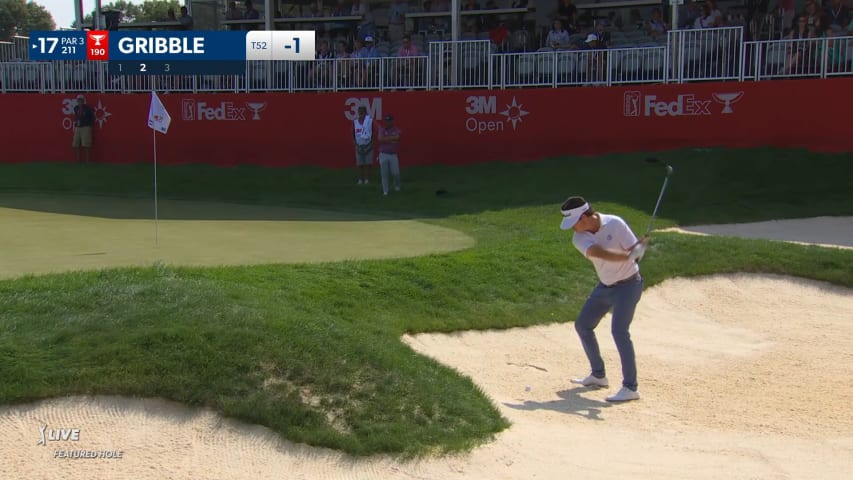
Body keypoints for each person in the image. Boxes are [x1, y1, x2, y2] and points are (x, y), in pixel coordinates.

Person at [560, 195, 649, 402]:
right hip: (605, 286)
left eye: (574, 223)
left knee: (619, 331)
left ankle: (630, 387)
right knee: (583, 325)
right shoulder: (579, 238)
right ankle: (598, 375)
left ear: (584, 217)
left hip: (629, 284)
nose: (573, 229)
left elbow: (635, 251)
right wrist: (626, 256)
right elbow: (598, 253)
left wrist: (638, 250)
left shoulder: (615, 223)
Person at [377, 114, 402, 196]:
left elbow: (397, 138)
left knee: (396, 173)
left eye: (389, 121)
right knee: (384, 173)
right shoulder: (382, 129)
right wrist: (391, 138)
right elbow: (380, 139)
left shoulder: (396, 130)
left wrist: (386, 138)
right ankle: (385, 191)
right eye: (387, 121)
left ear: (392, 121)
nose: (388, 123)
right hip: (383, 154)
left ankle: (397, 186)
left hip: (393, 155)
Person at [352, 106, 374, 184]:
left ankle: (367, 179)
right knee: (359, 164)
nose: (361, 114)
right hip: (358, 146)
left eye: (363, 112)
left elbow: (373, 133)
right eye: (360, 112)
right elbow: (353, 135)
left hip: (368, 146)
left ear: (365, 113)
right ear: (358, 113)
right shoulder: (355, 122)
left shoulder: (370, 121)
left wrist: (371, 144)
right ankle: (360, 179)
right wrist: (356, 145)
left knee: (368, 164)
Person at [72, 95, 95, 163]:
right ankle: (78, 160)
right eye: (79, 100)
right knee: (76, 143)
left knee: (86, 144)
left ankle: (87, 161)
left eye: (81, 100)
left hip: (86, 127)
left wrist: (89, 125)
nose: (80, 102)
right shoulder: (76, 108)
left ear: (83, 101)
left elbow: (92, 117)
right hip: (78, 127)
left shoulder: (87, 108)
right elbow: (77, 116)